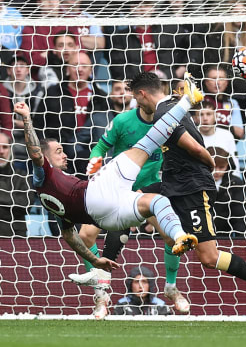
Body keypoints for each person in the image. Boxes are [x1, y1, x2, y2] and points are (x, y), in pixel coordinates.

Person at [19, 73, 204, 317]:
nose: (65, 155)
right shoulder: (45, 172)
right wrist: (27, 119)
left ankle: (169, 286)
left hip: (125, 198)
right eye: (59, 151)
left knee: (163, 220)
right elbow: (37, 153)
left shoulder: (50, 195)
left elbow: (68, 235)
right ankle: (101, 294)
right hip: (106, 191)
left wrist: (95, 261)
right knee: (149, 143)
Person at [103, 73, 246, 320]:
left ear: (142, 94)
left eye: (136, 97)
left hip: (190, 188)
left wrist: (210, 163)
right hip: (172, 184)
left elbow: (195, 147)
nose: (137, 104)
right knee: (129, 203)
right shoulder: (172, 105)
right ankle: (103, 279)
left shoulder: (163, 112)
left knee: (209, 257)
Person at [80, 77, 192, 317]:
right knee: (84, 236)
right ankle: (101, 292)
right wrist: (95, 161)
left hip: (149, 192)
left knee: (173, 239)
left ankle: (171, 287)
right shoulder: (122, 121)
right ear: (143, 96)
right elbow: (100, 147)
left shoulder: (171, 122)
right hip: (118, 192)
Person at [208, 147, 246, 235]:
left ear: (228, 166)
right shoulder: (197, 182)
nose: (217, 171)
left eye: (221, 167)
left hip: (226, 236)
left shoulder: (235, 183)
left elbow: (240, 217)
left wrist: (241, 242)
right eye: (213, 167)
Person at [202, 64, 244, 139]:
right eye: (213, 78)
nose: (217, 82)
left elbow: (239, 132)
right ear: (206, 82)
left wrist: (213, 126)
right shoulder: (199, 99)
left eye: (221, 79)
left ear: (227, 82)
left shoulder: (232, 103)